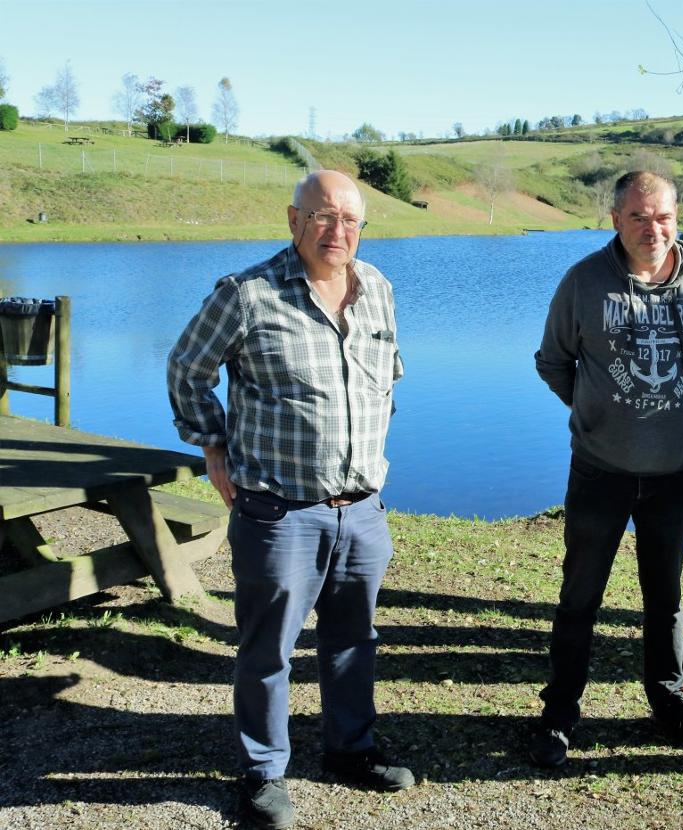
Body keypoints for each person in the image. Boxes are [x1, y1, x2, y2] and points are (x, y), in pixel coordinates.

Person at [167, 170, 412, 829]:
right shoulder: (245, 294)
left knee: (354, 639)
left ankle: (349, 751)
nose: (339, 231)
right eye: (324, 217)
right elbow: (187, 368)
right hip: (278, 513)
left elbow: (388, 378)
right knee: (268, 647)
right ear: (294, 220)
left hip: (361, 509)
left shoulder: (379, 289)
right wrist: (213, 445)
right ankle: (261, 774)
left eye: (351, 221)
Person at [530, 171, 683, 767]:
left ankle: (668, 701)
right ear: (615, 219)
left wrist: (660, 414)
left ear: (678, 216)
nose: (653, 228)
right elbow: (553, 362)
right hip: (599, 471)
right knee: (580, 596)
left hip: (673, 473)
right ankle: (560, 711)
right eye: (639, 217)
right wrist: (598, 413)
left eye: (663, 216)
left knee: (665, 597)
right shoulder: (585, 282)